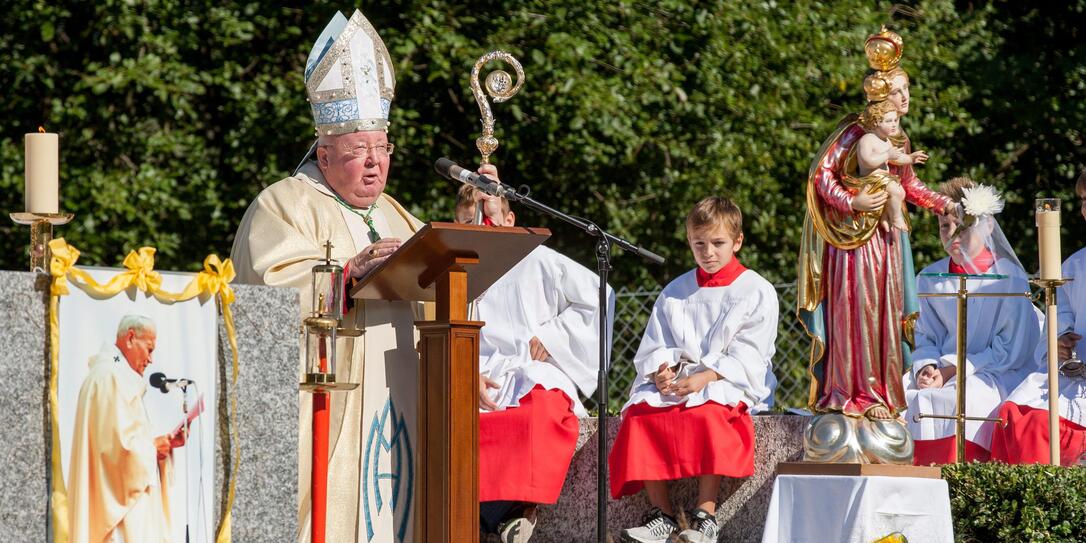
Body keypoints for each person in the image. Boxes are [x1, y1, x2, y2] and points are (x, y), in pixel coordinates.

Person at [230, 10, 443, 542]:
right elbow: (266, 290)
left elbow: (448, 288)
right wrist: (346, 275)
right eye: (357, 152)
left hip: (404, 399)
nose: (374, 164)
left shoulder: (401, 216)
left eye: (382, 150)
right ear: (324, 155)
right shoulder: (283, 204)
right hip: (331, 397)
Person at [798, 28, 958, 464]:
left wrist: (945, 203)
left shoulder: (898, 140)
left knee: (884, 318)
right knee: (854, 313)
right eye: (899, 90)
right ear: (882, 95)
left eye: (907, 90)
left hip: (888, 244)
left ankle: (882, 397)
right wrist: (852, 200)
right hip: (851, 245)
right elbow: (821, 177)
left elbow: (911, 185)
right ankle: (846, 395)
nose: (905, 99)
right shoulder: (856, 133)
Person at [609, 197, 777, 543]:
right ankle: (663, 515)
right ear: (689, 242)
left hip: (729, 378)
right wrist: (661, 370)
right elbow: (656, 343)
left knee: (710, 413)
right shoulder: (676, 291)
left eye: (718, 244)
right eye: (699, 244)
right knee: (640, 414)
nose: (708, 252)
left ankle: (706, 516)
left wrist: (708, 375)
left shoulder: (756, 289)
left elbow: (752, 352)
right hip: (681, 379)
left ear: (737, 242)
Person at [454, 184, 613, 542]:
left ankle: (511, 510)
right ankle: (498, 516)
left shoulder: (537, 259)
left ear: (510, 219)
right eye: (470, 221)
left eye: (490, 218)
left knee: (541, 413)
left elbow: (599, 296)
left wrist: (554, 337)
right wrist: (465, 371)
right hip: (476, 372)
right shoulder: (455, 271)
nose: (483, 228)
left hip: (529, 368)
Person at [902, 178, 1039, 464]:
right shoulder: (930, 278)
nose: (953, 235)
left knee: (963, 398)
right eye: (944, 226)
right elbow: (924, 335)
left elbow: (1009, 350)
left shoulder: (1007, 278)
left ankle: (957, 478)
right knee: (900, 395)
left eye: (962, 226)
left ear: (987, 226)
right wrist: (925, 366)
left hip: (996, 373)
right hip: (940, 371)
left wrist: (952, 371)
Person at [990, 170, 1086, 466]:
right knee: (1024, 418)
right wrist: (1059, 343)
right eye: (1082, 200)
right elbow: (1058, 325)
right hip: (1076, 375)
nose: (1084, 208)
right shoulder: (1074, 266)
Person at [67, 315, 184, 542]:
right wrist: (152, 449)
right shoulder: (109, 378)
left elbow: (123, 440)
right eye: (149, 349)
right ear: (131, 338)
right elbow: (115, 452)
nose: (150, 360)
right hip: (121, 516)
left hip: (130, 502)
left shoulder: (115, 377)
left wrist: (165, 445)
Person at [855, 99, 929, 232]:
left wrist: (910, 158)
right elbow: (867, 161)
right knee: (895, 190)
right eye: (889, 121)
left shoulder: (886, 141)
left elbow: (896, 158)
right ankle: (896, 219)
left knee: (900, 192)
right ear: (877, 121)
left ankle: (884, 216)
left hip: (884, 179)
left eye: (896, 120)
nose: (894, 125)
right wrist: (887, 155)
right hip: (872, 180)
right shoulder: (867, 140)